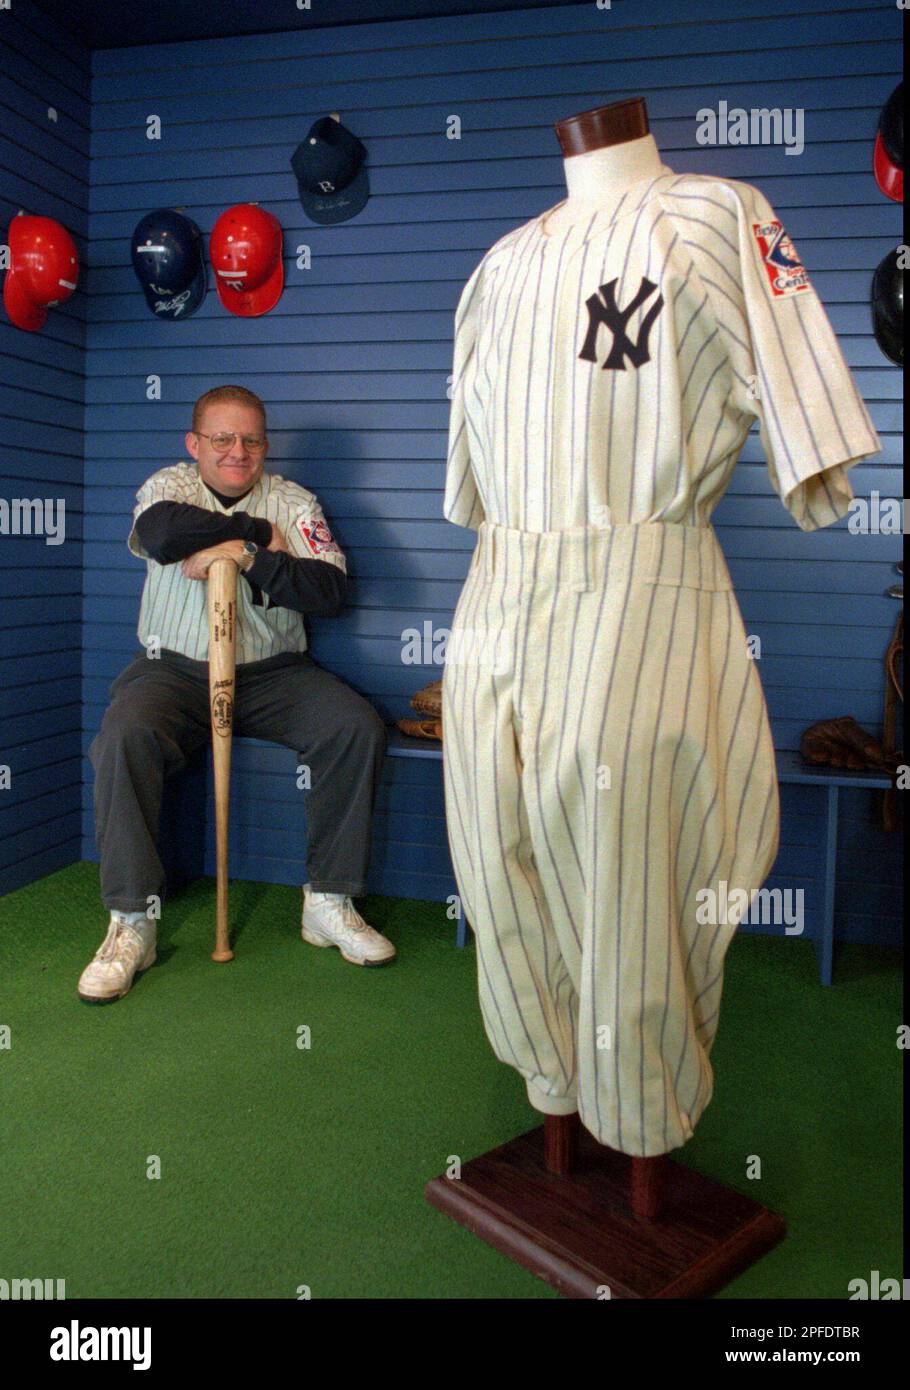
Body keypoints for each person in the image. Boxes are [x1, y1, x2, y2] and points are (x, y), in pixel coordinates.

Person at [80, 384, 393, 1003]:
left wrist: (247, 557)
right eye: (221, 438)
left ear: (265, 445)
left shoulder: (295, 501)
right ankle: (132, 920)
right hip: (174, 671)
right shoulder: (170, 486)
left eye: (250, 439)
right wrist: (251, 531)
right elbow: (161, 533)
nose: (237, 451)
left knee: (353, 725)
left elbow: (330, 591)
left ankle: (328, 902)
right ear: (194, 443)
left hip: (274, 673)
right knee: (124, 735)